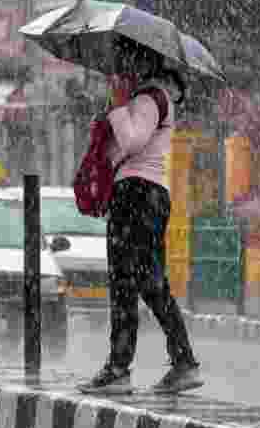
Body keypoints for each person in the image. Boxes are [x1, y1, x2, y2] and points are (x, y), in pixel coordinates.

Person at [77, 41, 202, 395]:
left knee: (125, 283)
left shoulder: (148, 98)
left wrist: (117, 108)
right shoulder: (151, 97)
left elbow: (132, 141)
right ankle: (182, 362)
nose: (120, 70)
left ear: (140, 62)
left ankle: (120, 368)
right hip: (147, 195)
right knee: (149, 282)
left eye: (125, 62)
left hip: (136, 193)